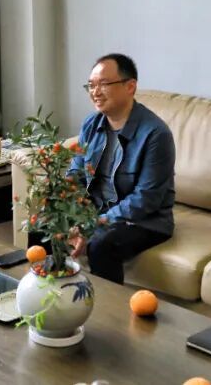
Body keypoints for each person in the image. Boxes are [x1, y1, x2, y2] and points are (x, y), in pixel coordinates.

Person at [62, 53, 176, 284]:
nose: (95, 92)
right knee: (44, 226)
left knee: (101, 244)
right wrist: (65, 205)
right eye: (91, 85)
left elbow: (146, 199)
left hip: (143, 221)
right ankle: (43, 296)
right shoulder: (91, 124)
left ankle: (107, 305)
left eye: (103, 84)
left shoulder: (156, 134)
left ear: (130, 86)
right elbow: (77, 174)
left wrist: (93, 224)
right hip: (97, 212)